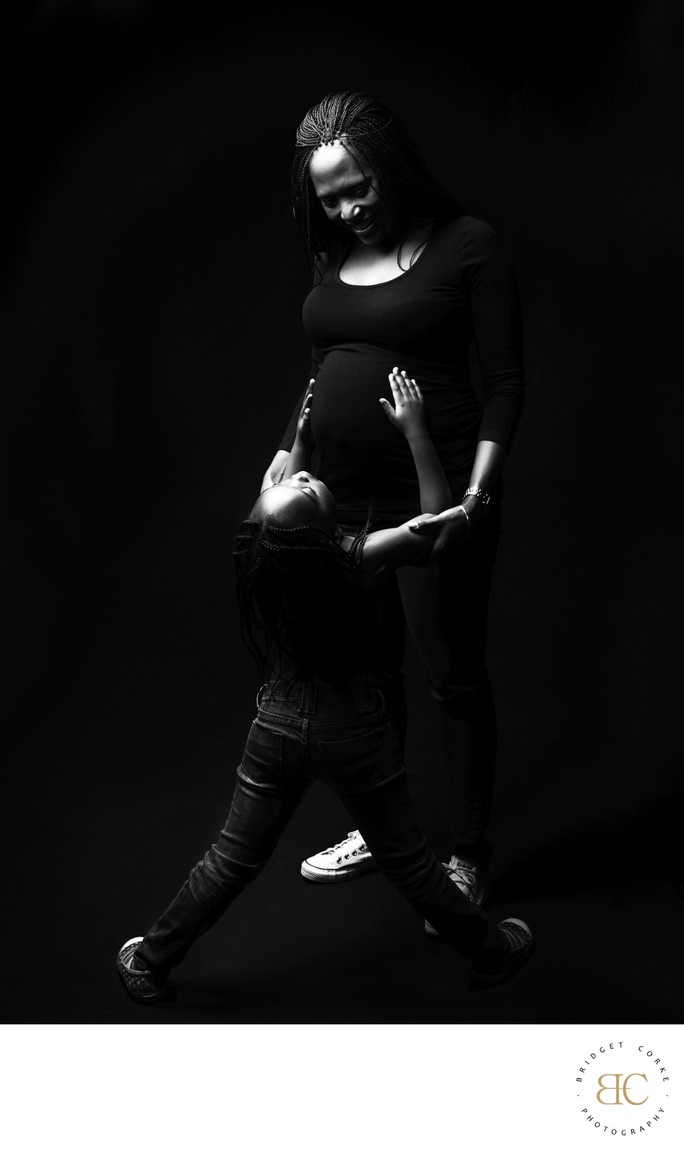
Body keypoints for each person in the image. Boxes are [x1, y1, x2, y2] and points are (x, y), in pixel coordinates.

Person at [116, 371, 533, 1003]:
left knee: (231, 859)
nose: (303, 478)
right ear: (320, 529)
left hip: (275, 728)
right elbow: (434, 523)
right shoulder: (356, 554)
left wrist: (303, 440)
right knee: (410, 862)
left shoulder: (260, 558)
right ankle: (492, 952)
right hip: (353, 733)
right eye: (306, 487)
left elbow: (276, 498)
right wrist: (418, 435)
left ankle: (151, 960)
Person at [262, 90, 525, 911]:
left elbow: (506, 383)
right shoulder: (331, 260)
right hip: (338, 495)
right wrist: (283, 454)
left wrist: (479, 492)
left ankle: (468, 855)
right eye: (330, 198)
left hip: (437, 490)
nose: (346, 210)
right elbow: (322, 371)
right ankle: (386, 835)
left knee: (450, 674)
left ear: (390, 165)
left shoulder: (468, 246)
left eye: (357, 187)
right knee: (368, 672)